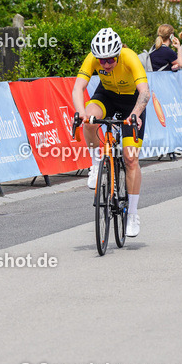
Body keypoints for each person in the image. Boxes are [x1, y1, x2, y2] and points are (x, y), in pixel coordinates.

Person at [72, 28, 150, 237]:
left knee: (131, 158)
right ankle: (97, 164)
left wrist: (135, 114)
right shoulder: (92, 58)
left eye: (109, 60)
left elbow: (144, 92)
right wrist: (80, 113)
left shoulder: (130, 58)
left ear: (118, 53)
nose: (105, 64)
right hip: (106, 96)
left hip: (131, 103)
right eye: (101, 61)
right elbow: (78, 88)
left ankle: (132, 213)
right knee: (89, 120)